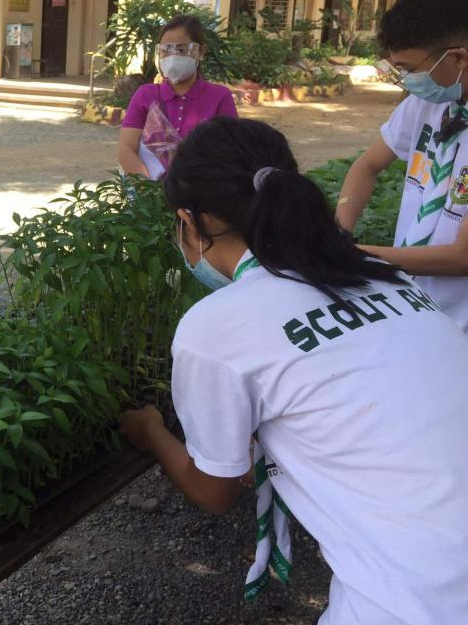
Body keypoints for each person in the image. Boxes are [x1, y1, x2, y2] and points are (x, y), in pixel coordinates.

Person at [119, 117, 468, 624]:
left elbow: (216, 491)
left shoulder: (216, 326)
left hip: (423, 601)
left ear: (191, 222)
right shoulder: (386, 276)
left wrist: (151, 430)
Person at [337, 0, 468, 332]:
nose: (407, 82)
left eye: (410, 69)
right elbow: (367, 166)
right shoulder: (425, 106)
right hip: (415, 309)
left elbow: (463, 257)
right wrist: (340, 232)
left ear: (458, 58)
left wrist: (361, 258)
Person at [117, 15, 237, 178]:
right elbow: (126, 148)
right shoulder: (145, 94)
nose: (172, 57)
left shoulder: (220, 97)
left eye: (181, 50)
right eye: (166, 50)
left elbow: (229, 153)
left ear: (200, 51)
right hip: (149, 189)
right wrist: (148, 187)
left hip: (200, 190)